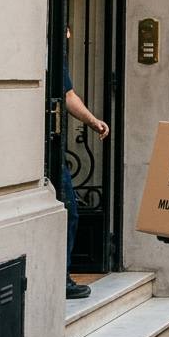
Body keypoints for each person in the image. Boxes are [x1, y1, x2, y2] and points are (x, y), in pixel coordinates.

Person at [62, 59, 109, 299]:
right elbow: (68, 95)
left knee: (69, 210)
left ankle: (60, 275)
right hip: (43, 146)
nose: (68, 34)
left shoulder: (51, 51)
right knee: (68, 209)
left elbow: (68, 94)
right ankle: (61, 278)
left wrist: (92, 121)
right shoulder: (48, 49)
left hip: (49, 146)